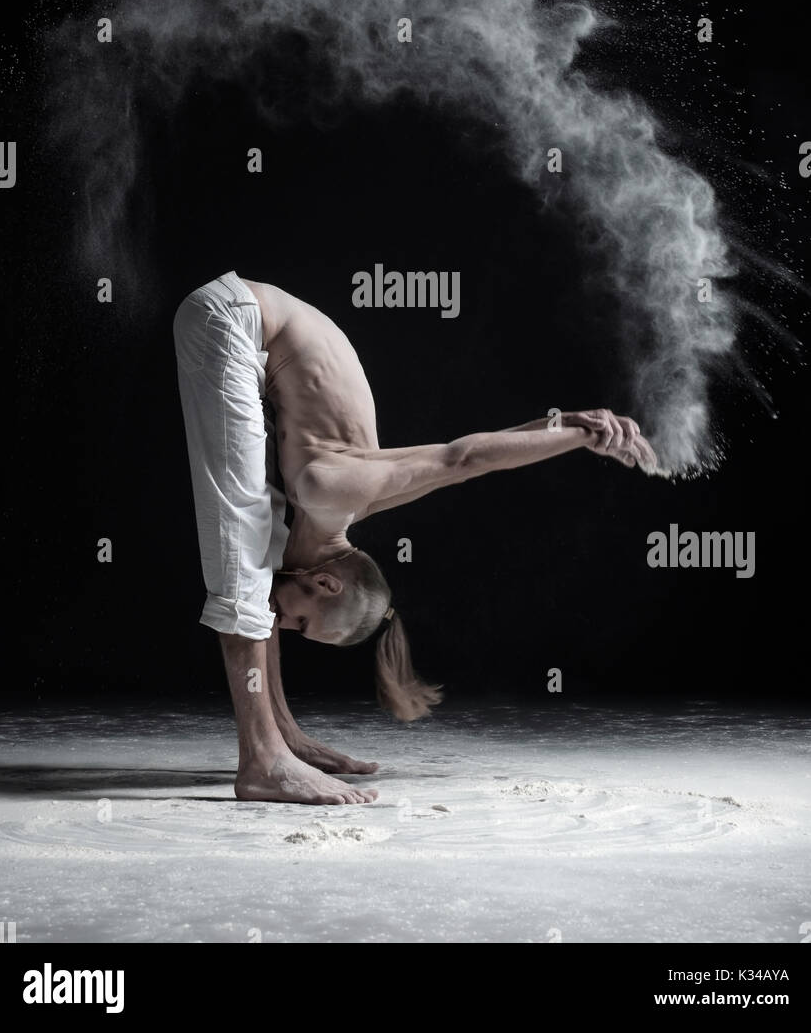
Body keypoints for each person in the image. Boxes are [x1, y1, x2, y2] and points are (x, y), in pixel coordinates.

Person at [173, 270, 657, 805]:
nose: (282, 623)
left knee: (254, 557)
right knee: (239, 557)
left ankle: (282, 734)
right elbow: (462, 458)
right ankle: (264, 761)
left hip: (246, 321)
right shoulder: (327, 488)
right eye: (301, 621)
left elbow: (458, 461)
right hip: (233, 317)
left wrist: (556, 419)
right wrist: (580, 434)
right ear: (328, 582)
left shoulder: (344, 504)